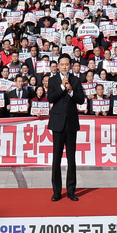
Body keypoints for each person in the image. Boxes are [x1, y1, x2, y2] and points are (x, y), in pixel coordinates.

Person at [46, 54, 85, 202]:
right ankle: (56, 191)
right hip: (57, 123)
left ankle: (71, 191)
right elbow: (50, 98)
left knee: (71, 159)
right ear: (58, 65)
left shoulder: (75, 80)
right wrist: (62, 87)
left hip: (71, 123)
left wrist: (71, 90)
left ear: (70, 65)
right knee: (56, 158)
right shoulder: (53, 80)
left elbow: (81, 100)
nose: (64, 67)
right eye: (61, 64)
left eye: (66, 64)